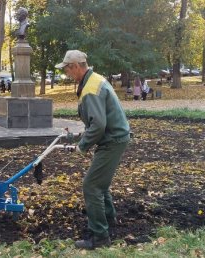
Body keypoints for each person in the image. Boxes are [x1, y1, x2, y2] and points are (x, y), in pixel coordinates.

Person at [56, 50, 131, 250]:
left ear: (76, 66)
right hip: (113, 137)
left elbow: (97, 125)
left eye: (67, 69)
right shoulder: (94, 80)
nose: (67, 73)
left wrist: (82, 146)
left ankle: (100, 237)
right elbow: (96, 122)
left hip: (112, 140)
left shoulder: (90, 88)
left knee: (91, 186)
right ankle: (108, 220)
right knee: (100, 184)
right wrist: (82, 138)